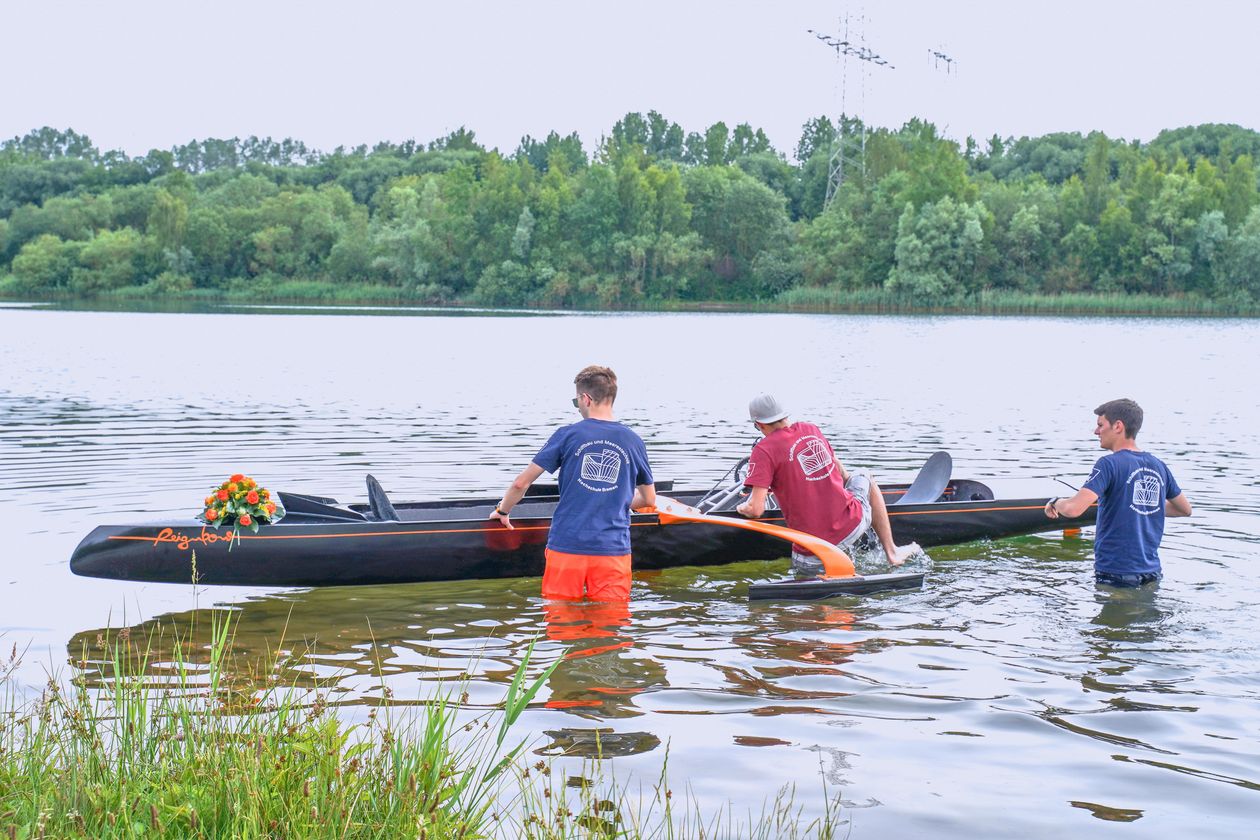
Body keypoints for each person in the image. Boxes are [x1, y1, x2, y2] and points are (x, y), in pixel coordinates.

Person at [490, 365, 655, 600]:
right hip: (612, 548)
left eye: (576, 402)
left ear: (586, 399)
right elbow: (649, 499)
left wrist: (502, 511)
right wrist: (615, 499)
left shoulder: (567, 435)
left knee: (559, 615)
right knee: (612, 617)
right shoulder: (634, 441)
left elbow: (520, 483)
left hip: (567, 545)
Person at [735, 393, 918, 576]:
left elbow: (756, 510)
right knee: (864, 475)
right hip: (852, 526)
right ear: (785, 416)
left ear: (759, 424)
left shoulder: (763, 450)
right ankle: (892, 552)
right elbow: (841, 472)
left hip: (810, 555)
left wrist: (742, 507)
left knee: (806, 575)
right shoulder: (811, 429)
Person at [1046, 398, 1192, 587]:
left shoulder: (1108, 464)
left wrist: (1055, 502)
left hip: (1115, 574)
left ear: (1117, 426)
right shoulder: (1159, 465)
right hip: (1152, 573)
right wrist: (1141, 504)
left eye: (1100, 425)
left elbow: (1073, 509)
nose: (1096, 431)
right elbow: (1184, 509)